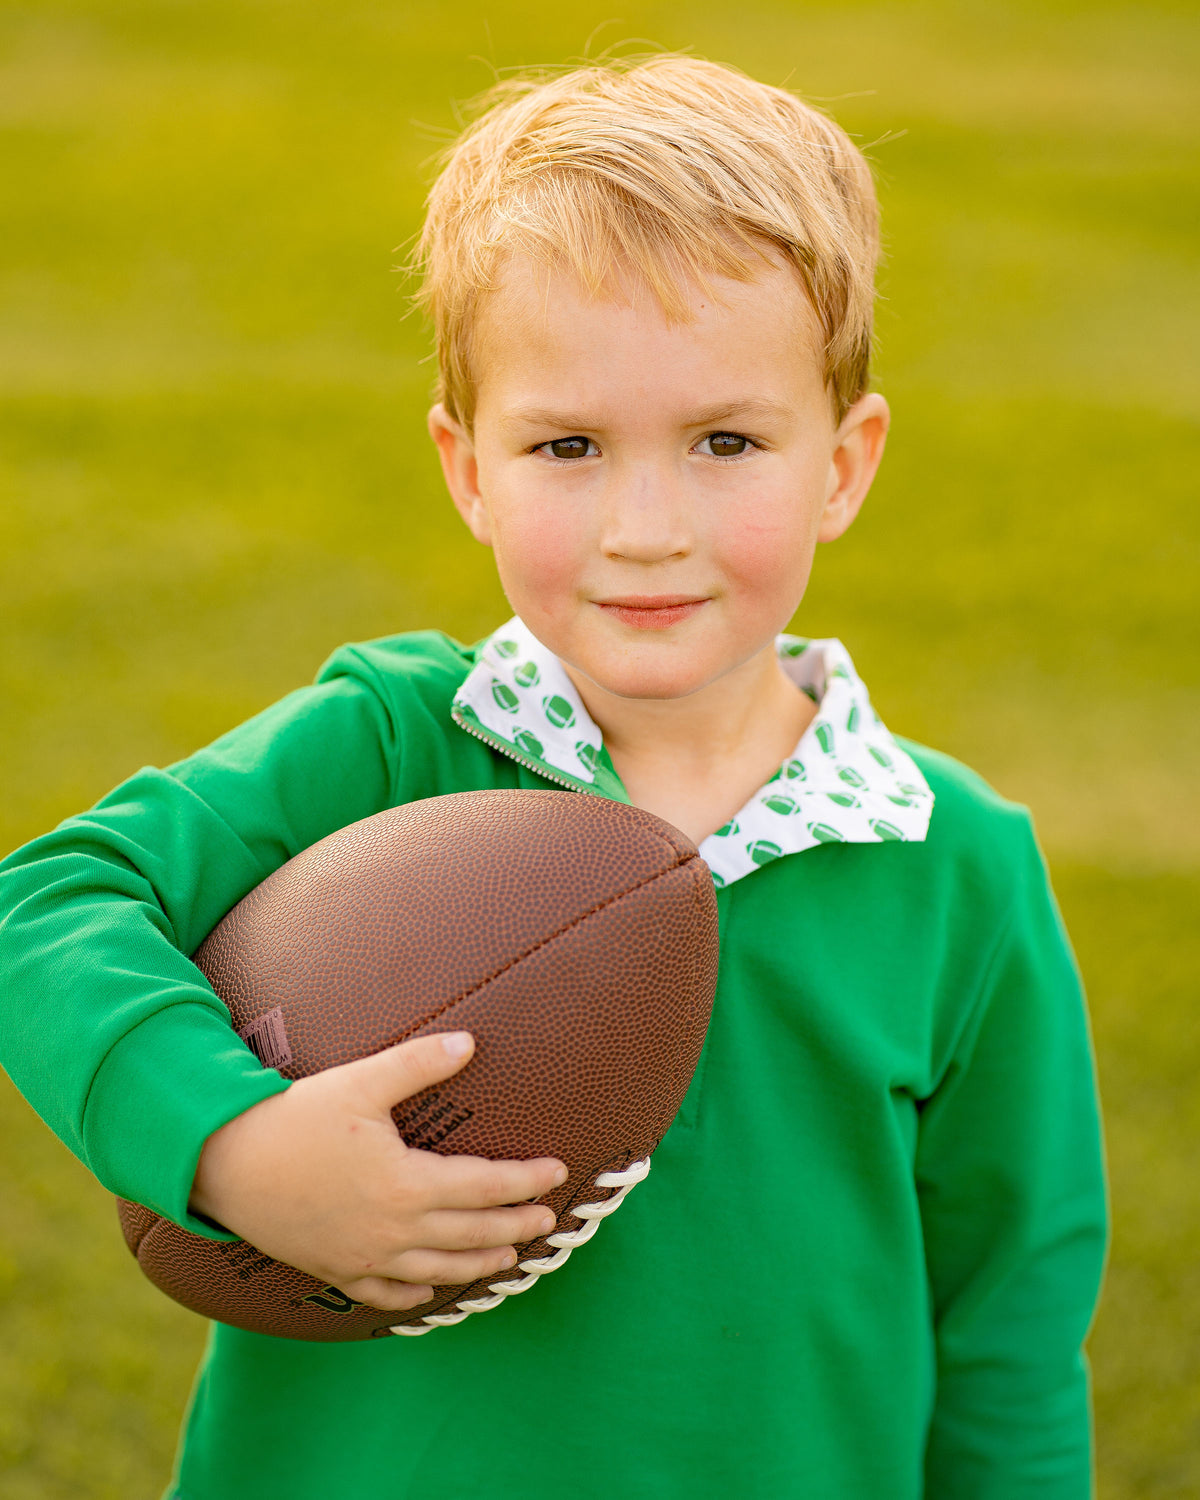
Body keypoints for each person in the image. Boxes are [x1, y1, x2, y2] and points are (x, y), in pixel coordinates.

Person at [0, 54, 1107, 1499]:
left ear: (844, 462)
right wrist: (232, 1144)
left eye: (725, 442)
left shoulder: (955, 863)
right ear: (470, 470)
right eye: (569, 446)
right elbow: (50, 901)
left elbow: (1008, 1327)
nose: (646, 526)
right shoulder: (394, 740)